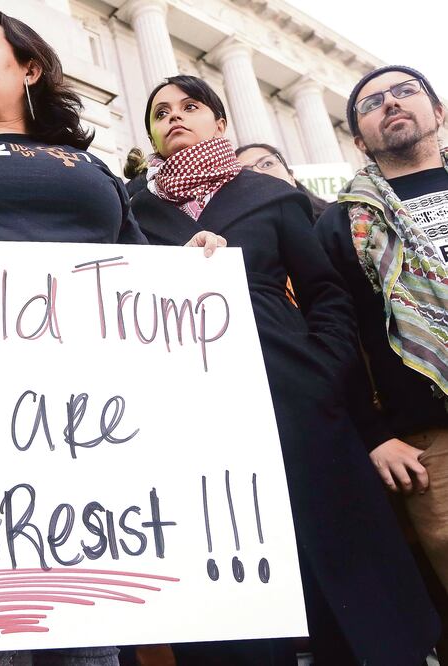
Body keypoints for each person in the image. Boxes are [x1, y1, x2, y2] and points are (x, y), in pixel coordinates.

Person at [0, 13, 222, 666]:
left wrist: (193, 270)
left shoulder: (91, 165)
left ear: (29, 68)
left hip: (86, 415)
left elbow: (135, 267)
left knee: (82, 622)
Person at [131, 73, 439, 665]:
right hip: (193, 411)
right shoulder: (133, 212)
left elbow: (326, 292)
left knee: (338, 561)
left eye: (190, 106)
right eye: (160, 111)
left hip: (296, 396)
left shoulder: (268, 195)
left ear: (220, 122)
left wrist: (320, 368)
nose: (174, 117)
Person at [315, 64, 448, 650]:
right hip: (430, 442)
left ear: (438, 113)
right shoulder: (339, 223)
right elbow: (335, 337)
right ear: (359, 139)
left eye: (405, 92)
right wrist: (373, 433)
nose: (391, 104)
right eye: (372, 103)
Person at [235, 143, 329, 218]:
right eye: (246, 173)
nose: (258, 173)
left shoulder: (336, 217)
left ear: (291, 177)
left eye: (267, 164)